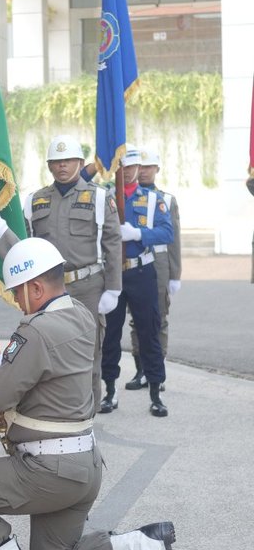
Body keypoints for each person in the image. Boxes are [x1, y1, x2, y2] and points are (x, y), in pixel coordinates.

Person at [0, 229, 177, 550]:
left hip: (49, 472)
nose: (16, 300)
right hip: (85, 467)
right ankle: (142, 543)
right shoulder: (82, 314)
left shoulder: (37, 331)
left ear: (34, 289)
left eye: (17, 291)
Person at [24, 134, 122, 411]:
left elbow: (112, 243)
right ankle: (54, 412)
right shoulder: (35, 200)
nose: (62, 166)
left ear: (80, 162)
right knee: (47, 351)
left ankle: (86, 416)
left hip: (87, 287)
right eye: (56, 161)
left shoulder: (100, 197)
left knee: (88, 354)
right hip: (47, 291)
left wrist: (113, 288)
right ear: (49, 166)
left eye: (68, 160)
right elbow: (27, 245)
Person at [100, 146, 174, 417]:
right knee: (110, 335)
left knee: (149, 332)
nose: (129, 171)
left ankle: (155, 392)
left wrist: (138, 234)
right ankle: (109, 390)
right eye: (123, 167)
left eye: (132, 167)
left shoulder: (153, 199)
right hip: (113, 273)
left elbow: (167, 233)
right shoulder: (106, 197)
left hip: (142, 271)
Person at [126, 148, 182, 390]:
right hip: (133, 264)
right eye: (142, 166)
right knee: (136, 321)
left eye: (149, 167)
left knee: (157, 319)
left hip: (158, 264)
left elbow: (174, 239)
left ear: (157, 169)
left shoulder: (166, 200)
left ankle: (156, 370)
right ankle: (141, 370)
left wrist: (175, 275)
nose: (145, 171)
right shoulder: (123, 196)